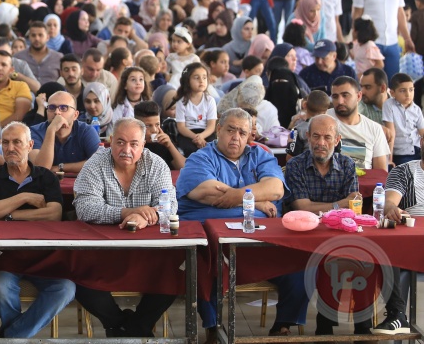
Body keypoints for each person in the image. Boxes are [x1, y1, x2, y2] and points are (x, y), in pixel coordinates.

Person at [176, 108, 308, 341]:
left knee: (300, 265)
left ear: (249, 136)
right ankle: (213, 328)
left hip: (257, 243)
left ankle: (282, 325)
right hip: (213, 245)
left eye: (242, 132)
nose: (236, 136)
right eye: (230, 130)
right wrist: (258, 200)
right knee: (200, 262)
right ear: (218, 130)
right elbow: (207, 191)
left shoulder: (261, 155)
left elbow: (276, 188)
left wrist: (239, 197)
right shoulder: (201, 158)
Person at [74, 117, 176, 336]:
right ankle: (123, 324)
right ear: (110, 141)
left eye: (133, 144)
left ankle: (128, 328)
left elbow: (171, 207)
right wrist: (125, 212)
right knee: (77, 276)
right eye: (120, 142)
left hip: (149, 253)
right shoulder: (96, 163)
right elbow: (84, 208)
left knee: (176, 273)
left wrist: (148, 216)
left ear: (143, 145)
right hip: (103, 251)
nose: (126, 150)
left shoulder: (156, 164)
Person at [0, 121, 76, 338]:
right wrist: (24, 197)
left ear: (30, 145)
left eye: (17, 142)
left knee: (66, 289)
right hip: (6, 257)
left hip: (45, 257)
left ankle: (9, 338)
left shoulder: (45, 177)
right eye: (5, 143)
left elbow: (54, 214)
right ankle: (16, 337)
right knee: (0, 288)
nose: (10, 147)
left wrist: (9, 215)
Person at [283, 115, 364, 336]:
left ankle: (363, 329)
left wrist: (326, 208)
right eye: (316, 136)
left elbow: (353, 210)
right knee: (311, 269)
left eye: (327, 137)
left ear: (337, 140)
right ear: (307, 137)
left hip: (339, 239)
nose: (321, 143)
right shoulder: (295, 166)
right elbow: (301, 207)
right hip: (301, 241)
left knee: (366, 262)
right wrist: (340, 205)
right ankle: (321, 326)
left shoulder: (348, 165)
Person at [370, 152, 424, 336]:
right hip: (412, 242)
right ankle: (397, 315)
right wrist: (392, 208)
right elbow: (390, 201)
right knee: (386, 247)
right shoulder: (404, 171)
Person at [29, 91, 99, 174]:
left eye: (63, 108)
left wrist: (60, 167)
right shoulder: (34, 131)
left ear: (75, 115)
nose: (57, 112)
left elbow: (99, 163)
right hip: (45, 186)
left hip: (81, 185)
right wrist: (51, 130)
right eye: (51, 107)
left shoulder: (86, 131)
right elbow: (40, 169)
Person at [328, 76, 389, 170]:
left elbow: (380, 174)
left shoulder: (375, 129)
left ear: (359, 96)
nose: (340, 101)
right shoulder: (321, 120)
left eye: (345, 95)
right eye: (335, 97)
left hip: (363, 183)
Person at [174, 63, 218, 156]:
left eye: (204, 77)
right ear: (187, 80)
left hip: (206, 132)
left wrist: (201, 136)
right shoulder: (181, 101)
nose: (201, 81)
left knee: (211, 148)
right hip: (188, 133)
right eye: (196, 78)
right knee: (190, 149)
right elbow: (181, 127)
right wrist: (196, 137)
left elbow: (211, 126)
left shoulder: (210, 100)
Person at [383, 73, 424, 165]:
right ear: (392, 93)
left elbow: (422, 133)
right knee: (406, 174)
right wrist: (389, 158)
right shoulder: (389, 105)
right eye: (402, 91)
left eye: (411, 90)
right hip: (401, 153)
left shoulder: (416, 109)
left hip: (417, 150)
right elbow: (391, 133)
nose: (408, 94)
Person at [134, 100, 185, 169]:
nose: (154, 130)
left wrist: (170, 145)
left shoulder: (163, 141)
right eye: (148, 126)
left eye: (157, 124)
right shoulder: (132, 143)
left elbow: (183, 167)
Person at [15, 21, 63, 86]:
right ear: (29, 37)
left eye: (40, 35)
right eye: (33, 35)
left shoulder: (58, 58)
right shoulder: (18, 57)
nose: (37, 38)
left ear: (47, 37)